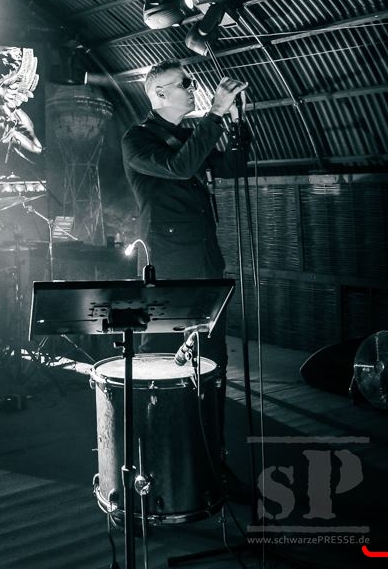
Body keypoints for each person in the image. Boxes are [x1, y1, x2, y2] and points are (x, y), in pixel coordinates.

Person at [121, 59, 250, 499]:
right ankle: (152, 469)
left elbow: (233, 166)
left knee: (212, 365)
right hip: (169, 270)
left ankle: (213, 465)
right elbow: (179, 167)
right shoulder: (137, 139)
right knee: (162, 364)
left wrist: (237, 122)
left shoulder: (190, 135)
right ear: (159, 94)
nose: (193, 88)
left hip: (206, 264)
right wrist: (214, 114)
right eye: (184, 83)